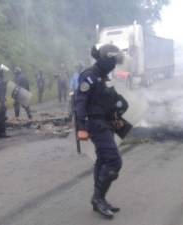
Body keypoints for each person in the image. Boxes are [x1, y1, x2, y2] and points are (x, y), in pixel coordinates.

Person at [75, 44, 126, 219]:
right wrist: (81, 128)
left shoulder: (104, 77)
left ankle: (99, 199)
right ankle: (98, 198)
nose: (114, 65)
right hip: (96, 124)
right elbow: (80, 103)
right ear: (105, 59)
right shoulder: (89, 76)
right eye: (112, 61)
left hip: (106, 123)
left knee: (103, 160)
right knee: (114, 161)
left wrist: (118, 116)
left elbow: (109, 101)